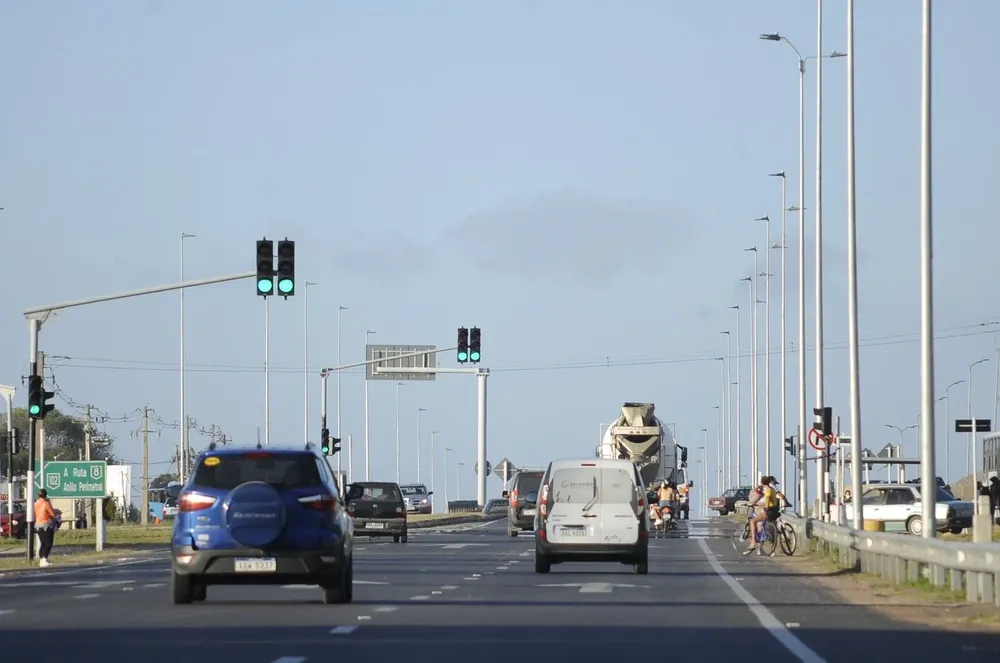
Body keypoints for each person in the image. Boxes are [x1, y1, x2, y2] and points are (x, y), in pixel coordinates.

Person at [745, 476, 776, 554]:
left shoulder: (768, 491)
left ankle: (753, 541)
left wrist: (758, 504)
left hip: (769, 512)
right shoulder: (773, 490)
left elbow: (767, 505)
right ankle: (765, 547)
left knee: (752, 521)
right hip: (774, 511)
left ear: (762, 482)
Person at [34, 489, 57, 567]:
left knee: (43, 543)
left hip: (38, 524)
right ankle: (44, 559)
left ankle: (42, 560)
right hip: (46, 524)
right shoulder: (46, 503)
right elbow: (52, 513)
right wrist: (56, 512)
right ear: (46, 495)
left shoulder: (36, 503)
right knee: (48, 543)